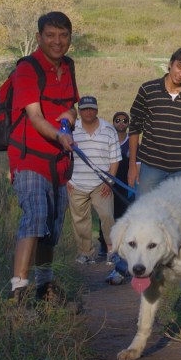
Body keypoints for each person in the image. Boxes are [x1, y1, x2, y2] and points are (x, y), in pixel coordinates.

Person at [6, 11, 79, 305]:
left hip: (59, 163)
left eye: (63, 36)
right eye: (50, 35)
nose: (57, 42)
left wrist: (70, 116)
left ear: (70, 38)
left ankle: (44, 288)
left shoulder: (68, 67)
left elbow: (72, 106)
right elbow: (35, 117)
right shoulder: (27, 68)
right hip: (29, 159)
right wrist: (60, 135)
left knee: (51, 229)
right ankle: (18, 292)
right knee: (35, 216)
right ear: (39, 37)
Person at [127, 48, 181, 198]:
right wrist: (132, 165)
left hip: (180, 171)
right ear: (170, 64)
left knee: (175, 212)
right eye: (179, 67)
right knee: (145, 210)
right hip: (150, 167)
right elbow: (134, 127)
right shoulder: (148, 90)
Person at [67, 95, 121, 268]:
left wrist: (109, 181)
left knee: (107, 217)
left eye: (91, 108)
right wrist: (67, 179)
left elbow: (115, 159)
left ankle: (112, 251)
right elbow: (64, 156)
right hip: (76, 184)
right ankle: (85, 253)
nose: (88, 112)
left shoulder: (108, 129)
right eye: (84, 109)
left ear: (97, 110)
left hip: (101, 184)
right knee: (80, 221)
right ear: (79, 111)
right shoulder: (70, 130)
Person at [100, 110, 133, 285]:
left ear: (128, 124)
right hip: (107, 184)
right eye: (118, 120)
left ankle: (120, 250)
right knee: (105, 214)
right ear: (113, 123)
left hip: (125, 186)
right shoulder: (108, 140)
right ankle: (104, 246)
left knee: (121, 217)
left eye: (124, 120)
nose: (121, 123)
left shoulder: (132, 143)